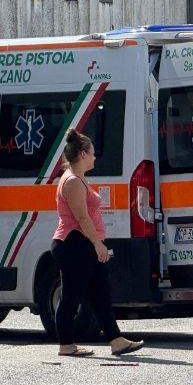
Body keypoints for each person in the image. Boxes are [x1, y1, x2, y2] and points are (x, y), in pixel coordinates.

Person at [52, 129, 144, 358]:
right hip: (75, 243)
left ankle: (116, 340)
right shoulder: (72, 181)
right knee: (71, 296)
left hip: (82, 244)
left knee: (100, 292)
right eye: (92, 153)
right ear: (82, 154)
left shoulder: (78, 178)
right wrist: (98, 244)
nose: (95, 157)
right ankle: (66, 345)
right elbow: (82, 218)